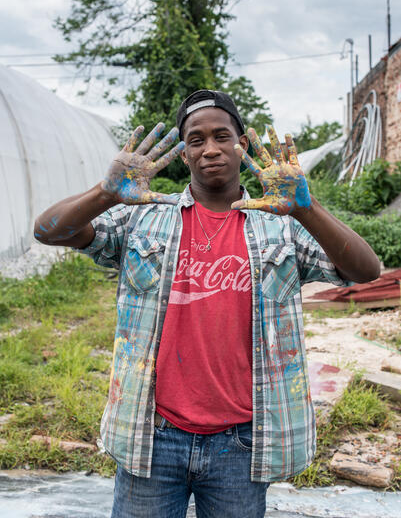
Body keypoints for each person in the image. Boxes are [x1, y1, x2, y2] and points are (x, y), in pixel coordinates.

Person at [34, 89, 380, 518]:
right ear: (184, 154)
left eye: (222, 136)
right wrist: (105, 194)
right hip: (154, 436)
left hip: (241, 443)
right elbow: (48, 231)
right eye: (196, 140)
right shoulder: (144, 217)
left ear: (242, 145)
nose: (210, 149)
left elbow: (366, 272)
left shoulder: (279, 227)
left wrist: (305, 209)